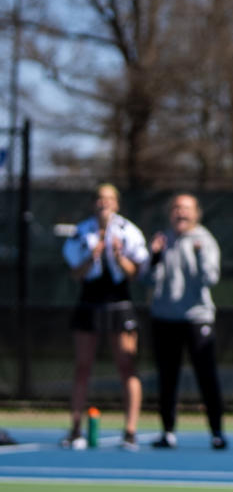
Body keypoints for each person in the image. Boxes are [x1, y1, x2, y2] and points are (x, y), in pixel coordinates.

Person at [61, 183, 151, 450]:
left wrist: (117, 255)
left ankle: (130, 431)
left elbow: (136, 272)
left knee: (127, 366)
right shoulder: (81, 232)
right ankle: (76, 429)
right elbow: (75, 273)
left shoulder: (129, 231)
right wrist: (93, 257)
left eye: (109, 199)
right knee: (82, 366)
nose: (104, 203)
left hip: (119, 302)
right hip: (89, 302)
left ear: (117, 203)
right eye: (100, 199)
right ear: (94, 203)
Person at [145, 193, 228, 449]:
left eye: (186, 209)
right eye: (176, 208)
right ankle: (168, 431)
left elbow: (211, 278)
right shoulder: (162, 240)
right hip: (165, 318)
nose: (181, 213)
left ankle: (217, 431)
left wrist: (200, 255)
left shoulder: (205, 241)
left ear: (196, 213)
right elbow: (148, 279)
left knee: (206, 376)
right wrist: (155, 255)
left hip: (196, 318)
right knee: (167, 377)